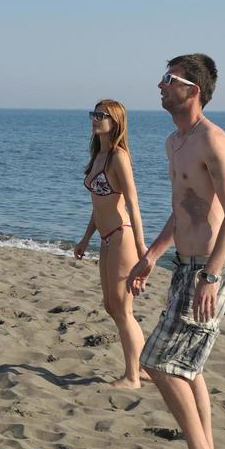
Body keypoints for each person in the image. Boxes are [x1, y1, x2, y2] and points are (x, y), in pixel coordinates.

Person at [129, 55, 225, 449]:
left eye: (168, 79)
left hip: (212, 269)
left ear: (191, 89)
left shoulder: (213, 140)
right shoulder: (174, 142)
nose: (159, 85)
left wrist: (211, 277)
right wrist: (152, 254)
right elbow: (184, 209)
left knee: (157, 361)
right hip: (186, 266)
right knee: (187, 367)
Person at [72, 99, 147, 389]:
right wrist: (85, 238)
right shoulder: (98, 156)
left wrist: (143, 250)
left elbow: (133, 203)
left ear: (115, 122)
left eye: (101, 115)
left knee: (122, 308)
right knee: (110, 306)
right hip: (104, 238)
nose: (95, 119)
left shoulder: (118, 157)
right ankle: (142, 368)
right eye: (94, 113)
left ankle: (133, 376)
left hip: (121, 236)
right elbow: (98, 204)